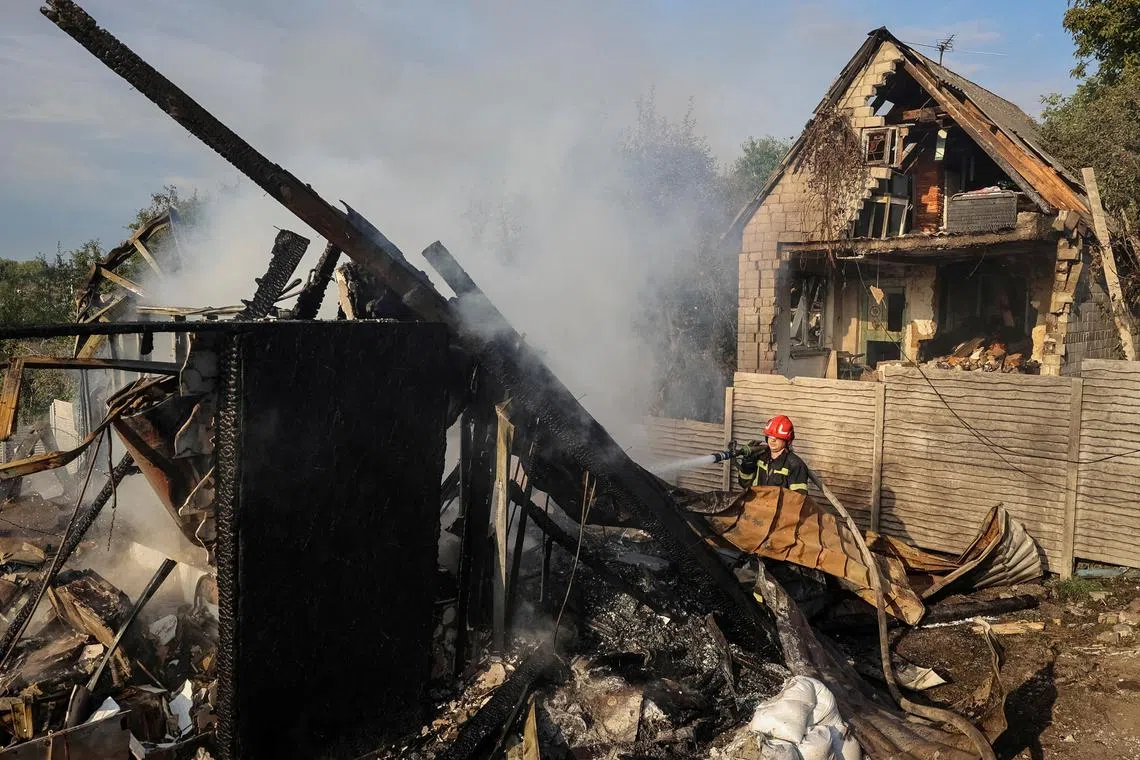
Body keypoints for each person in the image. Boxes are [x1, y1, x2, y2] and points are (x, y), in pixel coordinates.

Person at [737, 415, 810, 493]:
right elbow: (744, 484)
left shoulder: (796, 465)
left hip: (779, 505)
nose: (772, 440)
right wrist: (747, 467)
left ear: (788, 441)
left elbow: (798, 499)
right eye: (770, 436)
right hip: (756, 503)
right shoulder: (760, 457)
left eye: (778, 437)